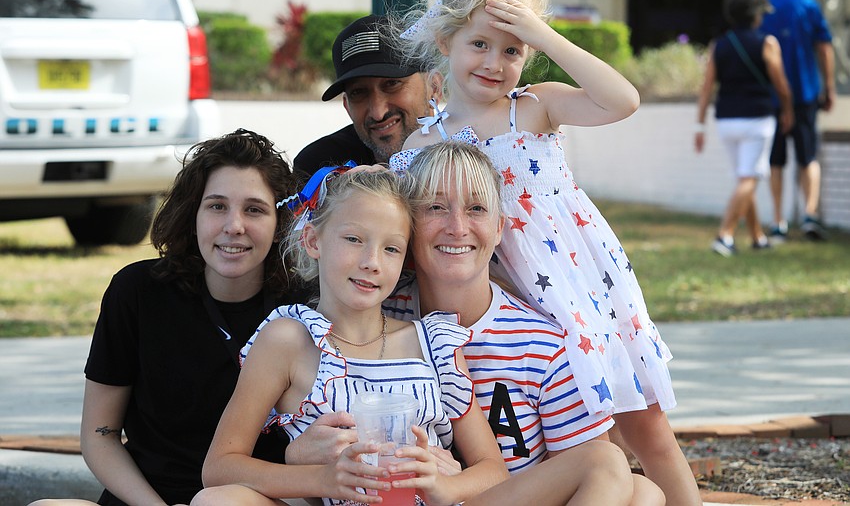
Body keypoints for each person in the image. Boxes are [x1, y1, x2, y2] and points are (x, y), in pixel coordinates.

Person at [390, 0, 702, 506]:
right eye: (480, 44)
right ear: (446, 41)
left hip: (578, 291)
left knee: (644, 428)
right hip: (508, 302)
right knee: (575, 442)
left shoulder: (536, 108)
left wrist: (543, 34)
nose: (494, 62)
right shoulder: (423, 146)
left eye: (512, 51)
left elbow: (623, 100)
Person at [192, 168, 510, 506]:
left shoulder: (433, 344)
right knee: (215, 501)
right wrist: (321, 479)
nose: (372, 262)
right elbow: (219, 468)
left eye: (391, 248)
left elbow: (493, 471)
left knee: (576, 463)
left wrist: (444, 487)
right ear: (313, 241)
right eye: (354, 239)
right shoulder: (288, 341)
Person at [29, 129, 303, 506]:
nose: (233, 225)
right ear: (194, 214)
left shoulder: (303, 310)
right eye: (217, 206)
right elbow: (99, 435)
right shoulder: (137, 291)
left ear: (279, 226)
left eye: (254, 209)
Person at [384, 140, 666, 506]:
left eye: (476, 209)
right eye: (435, 207)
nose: (457, 227)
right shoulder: (379, 318)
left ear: (499, 227)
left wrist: (466, 482)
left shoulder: (542, 345)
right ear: (409, 225)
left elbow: (590, 477)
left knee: (644, 493)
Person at [696, 0, 794, 257]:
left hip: (726, 121)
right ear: (756, 15)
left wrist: (699, 125)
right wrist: (788, 110)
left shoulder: (719, 45)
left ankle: (757, 236)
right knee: (749, 177)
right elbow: (782, 85)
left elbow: (706, 88)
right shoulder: (767, 43)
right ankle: (725, 235)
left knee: (744, 176)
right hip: (757, 119)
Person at [748, 0, 836, 242]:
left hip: (769, 96)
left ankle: (778, 220)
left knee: (776, 160)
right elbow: (824, 48)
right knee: (808, 156)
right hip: (806, 91)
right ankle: (810, 215)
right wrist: (830, 87)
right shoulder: (807, 4)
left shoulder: (759, 9)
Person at [292, 14, 439, 177]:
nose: (378, 113)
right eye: (358, 93)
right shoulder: (319, 166)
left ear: (434, 86)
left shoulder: (468, 151)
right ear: (347, 106)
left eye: (392, 84)